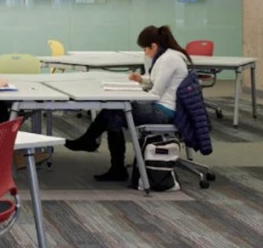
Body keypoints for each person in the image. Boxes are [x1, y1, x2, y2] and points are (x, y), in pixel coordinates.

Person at [64, 25, 190, 181]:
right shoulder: (168, 56)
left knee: (114, 111)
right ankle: (103, 154)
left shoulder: (170, 59)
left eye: (145, 49)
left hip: (163, 111)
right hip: (160, 106)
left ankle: (96, 147)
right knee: (113, 112)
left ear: (154, 46)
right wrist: (141, 80)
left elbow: (155, 93)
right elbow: (156, 82)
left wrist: (132, 96)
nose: (145, 53)